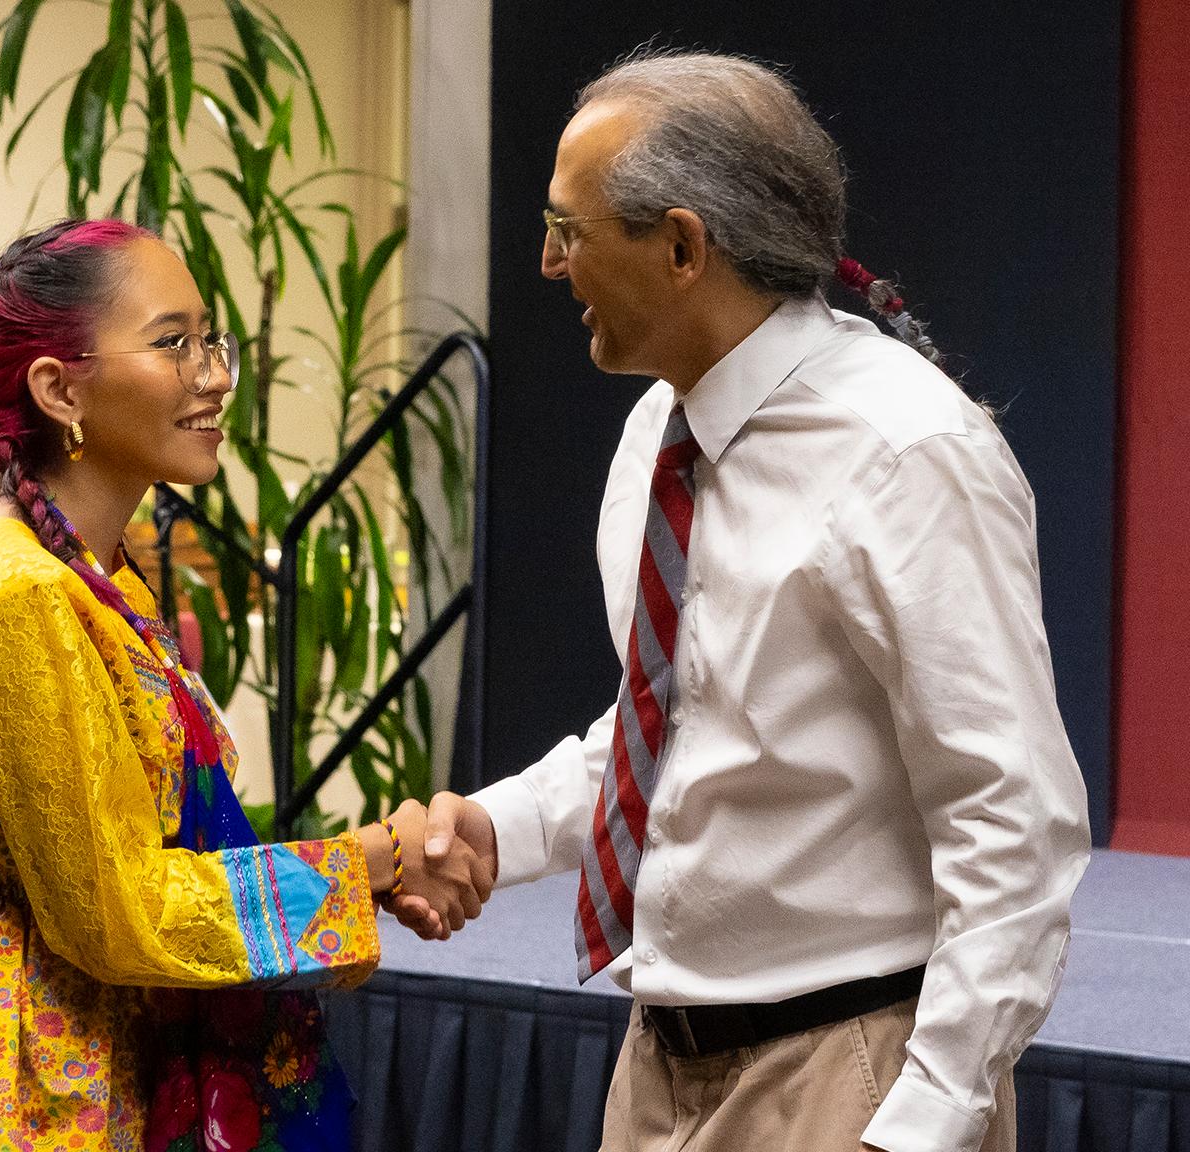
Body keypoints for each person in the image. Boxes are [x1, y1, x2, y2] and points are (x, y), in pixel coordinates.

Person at [413, 50, 1091, 1152]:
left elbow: (1011, 821)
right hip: (658, 1070)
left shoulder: (906, 449)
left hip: (847, 1079)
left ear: (682, 246)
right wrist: (499, 826)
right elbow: (669, 739)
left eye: (569, 229)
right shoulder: (655, 435)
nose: (546, 263)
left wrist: (922, 1122)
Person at [0, 218, 491, 1152]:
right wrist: (372, 861)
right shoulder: (16, 592)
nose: (213, 376)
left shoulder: (92, 572)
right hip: (26, 1080)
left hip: (94, 1045)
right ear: (59, 388)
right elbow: (116, 912)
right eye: (174, 343)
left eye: (212, 342)